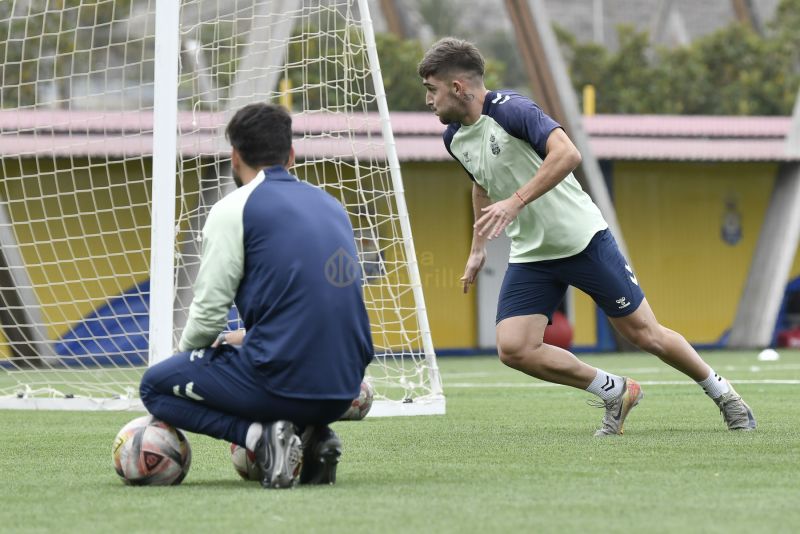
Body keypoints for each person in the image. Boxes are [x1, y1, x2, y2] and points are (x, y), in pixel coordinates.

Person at [417, 38, 756, 436]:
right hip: (532, 253)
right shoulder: (454, 137)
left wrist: (517, 201)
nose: (429, 100)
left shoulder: (513, 111)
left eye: (431, 89)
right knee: (514, 349)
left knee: (644, 334)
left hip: (582, 239)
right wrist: (478, 248)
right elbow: (480, 184)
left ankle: (724, 394)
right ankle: (615, 391)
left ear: (458, 88)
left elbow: (568, 154)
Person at [140, 103, 374, 487]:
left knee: (155, 385)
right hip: (345, 386)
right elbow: (315, 306)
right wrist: (241, 339)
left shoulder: (232, 208)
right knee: (263, 358)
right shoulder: (333, 207)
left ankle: (260, 440)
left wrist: (190, 358)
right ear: (292, 156)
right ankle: (314, 438)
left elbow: (207, 315)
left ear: (235, 157)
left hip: (281, 383)